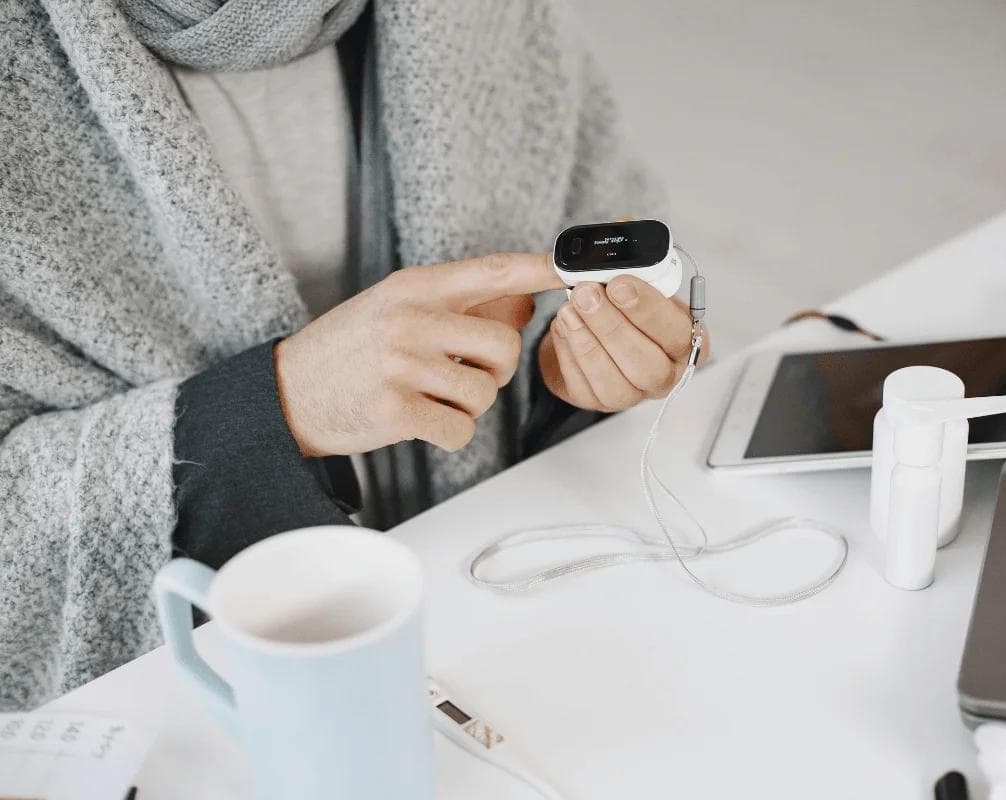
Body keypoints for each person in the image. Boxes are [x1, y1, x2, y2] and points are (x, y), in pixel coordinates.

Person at [0, 0, 709, 710]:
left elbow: (602, 217)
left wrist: (578, 374)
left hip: (519, 620)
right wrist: (275, 407)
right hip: (226, 696)